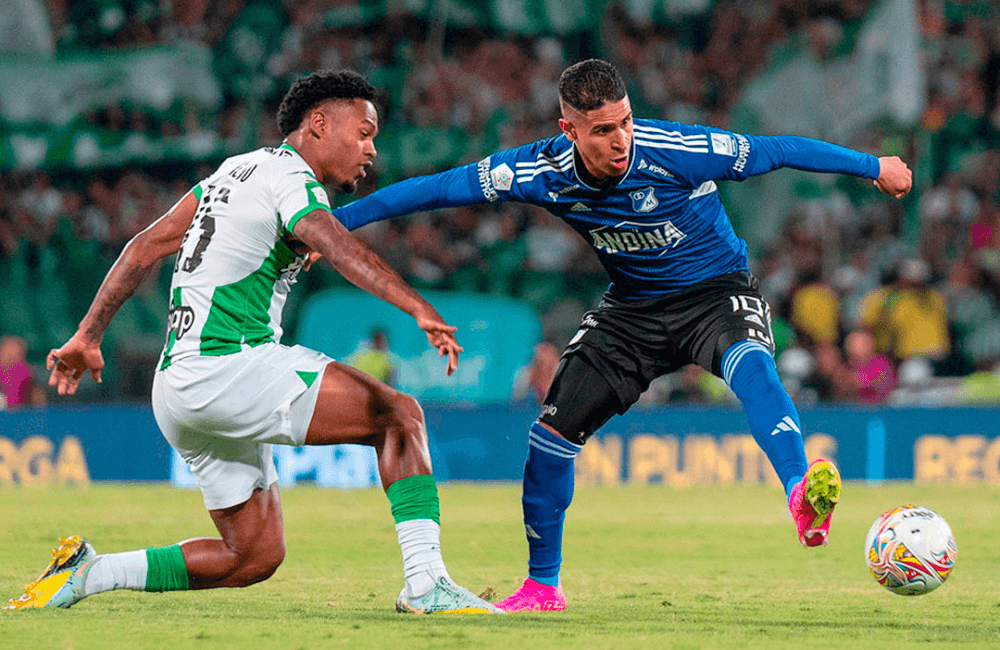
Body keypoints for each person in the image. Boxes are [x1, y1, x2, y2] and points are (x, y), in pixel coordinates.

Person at [332, 59, 913, 612]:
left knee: (753, 366)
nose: (621, 140)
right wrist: (332, 226)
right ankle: (542, 585)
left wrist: (873, 166)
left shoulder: (679, 151)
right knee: (549, 439)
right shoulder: (536, 171)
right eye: (604, 130)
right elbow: (433, 190)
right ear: (569, 130)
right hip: (631, 313)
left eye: (627, 122)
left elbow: (779, 150)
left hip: (715, 294)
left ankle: (797, 489)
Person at [6, 70, 501, 615]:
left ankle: (89, 573)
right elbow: (334, 244)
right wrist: (418, 308)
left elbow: (143, 248)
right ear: (318, 125)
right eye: (363, 133)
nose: (371, 150)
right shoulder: (292, 178)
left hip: (176, 390)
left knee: (252, 555)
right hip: (229, 364)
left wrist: (88, 335)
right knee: (400, 416)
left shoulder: (232, 171)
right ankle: (426, 581)